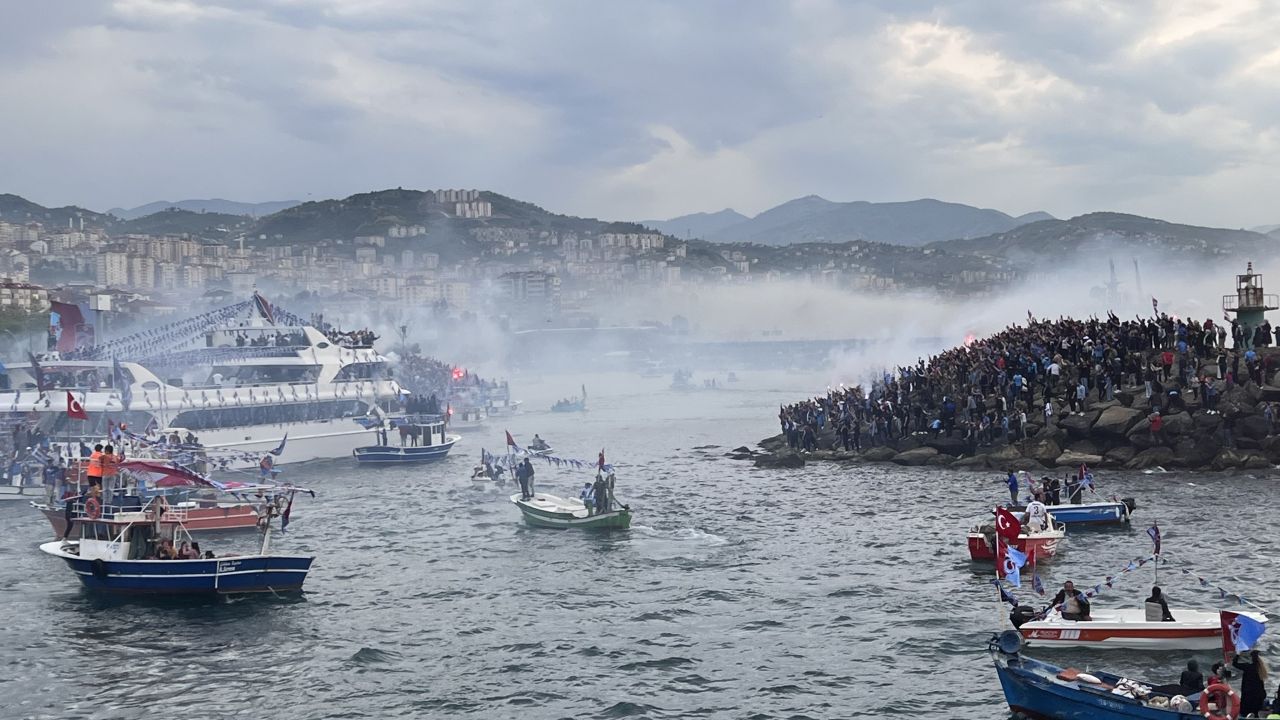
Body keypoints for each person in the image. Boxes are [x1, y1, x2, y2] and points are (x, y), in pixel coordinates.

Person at [1233, 649, 1268, 718]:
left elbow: (1235, 664)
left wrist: (1238, 654)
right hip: (1259, 695)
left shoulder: (1248, 667)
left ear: (1251, 658)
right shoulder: (1261, 669)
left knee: (1245, 713)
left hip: (1248, 695)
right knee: (1255, 714)